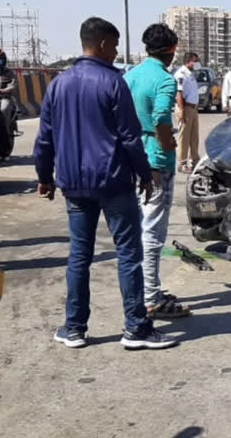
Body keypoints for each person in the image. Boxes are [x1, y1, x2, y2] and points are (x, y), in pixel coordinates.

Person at [33, 17, 177, 350]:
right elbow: (129, 138)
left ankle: (74, 328)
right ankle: (136, 329)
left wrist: (45, 179)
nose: (115, 53)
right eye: (113, 46)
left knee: (79, 256)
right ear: (100, 44)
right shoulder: (113, 83)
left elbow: (44, 140)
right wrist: (144, 174)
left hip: (74, 184)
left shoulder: (58, 85)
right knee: (129, 254)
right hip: (113, 182)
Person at [124, 23, 191, 319]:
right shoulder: (164, 80)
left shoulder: (130, 76)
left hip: (132, 157)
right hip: (156, 161)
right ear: (171, 50)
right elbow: (162, 116)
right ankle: (151, 298)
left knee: (139, 227)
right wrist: (168, 143)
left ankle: (147, 288)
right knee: (153, 233)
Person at [174, 52, 201, 173]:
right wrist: (182, 110)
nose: (197, 63)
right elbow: (179, 93)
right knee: (184, 137)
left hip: (193, 109)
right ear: (189, 61)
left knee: (194, 136)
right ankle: (182, 163)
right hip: (186, 108)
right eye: (195, 61)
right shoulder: (181, 74)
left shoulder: (191, 74)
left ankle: (194, 160)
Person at [0, 49, 18, 134]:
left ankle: (6, 132)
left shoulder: (9, 72)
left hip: (5, 97)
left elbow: (12, 84)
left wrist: (2, 90)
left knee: (4, 109)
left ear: (3, 61)